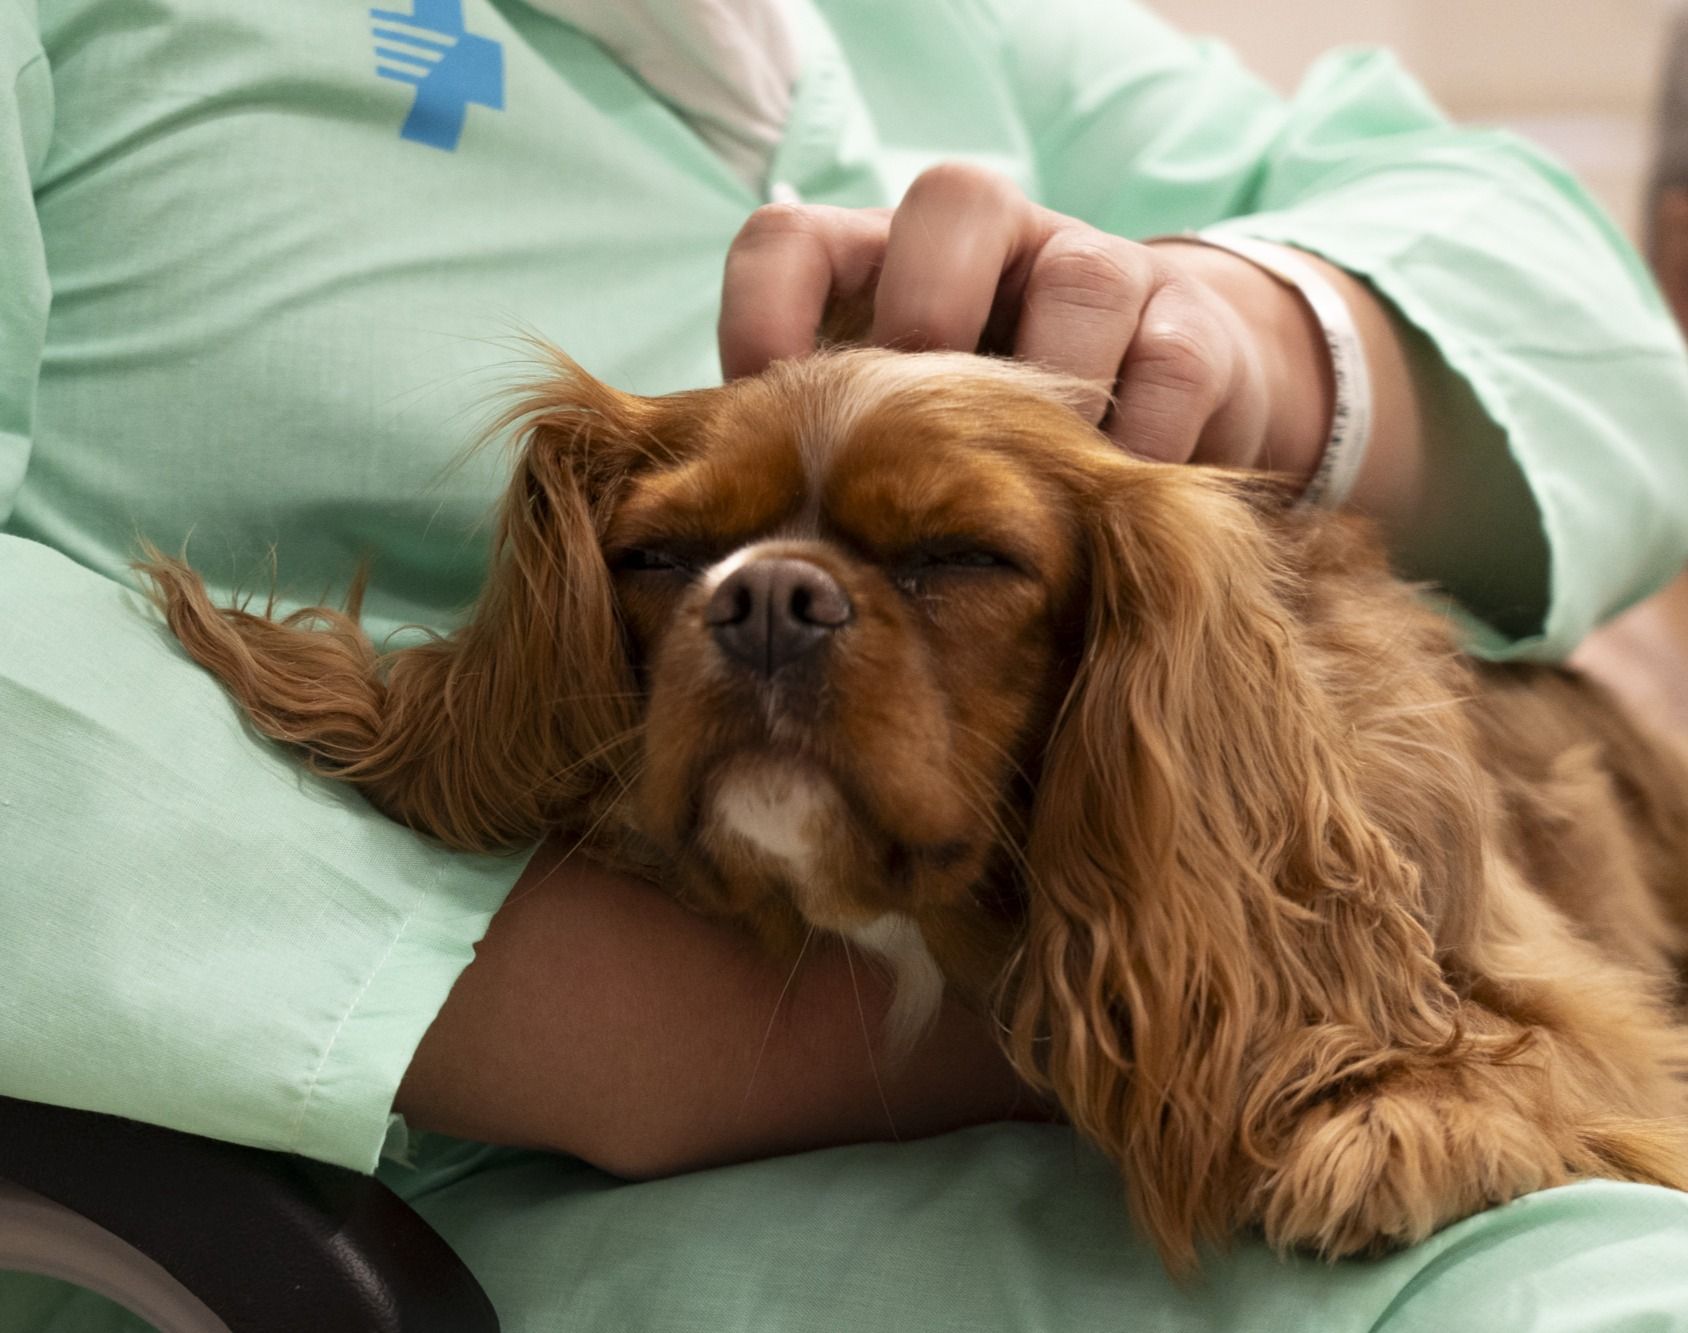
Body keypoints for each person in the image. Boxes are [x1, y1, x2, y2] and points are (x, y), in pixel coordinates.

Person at [4, 1, 1688, 1328]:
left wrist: (1256, 332)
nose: (768, 612)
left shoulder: (936, 23)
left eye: (952, 559)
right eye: (671, 561)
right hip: (399, 1197)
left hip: (1166, 1076)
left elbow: (1586, 314)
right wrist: (557, 1012)